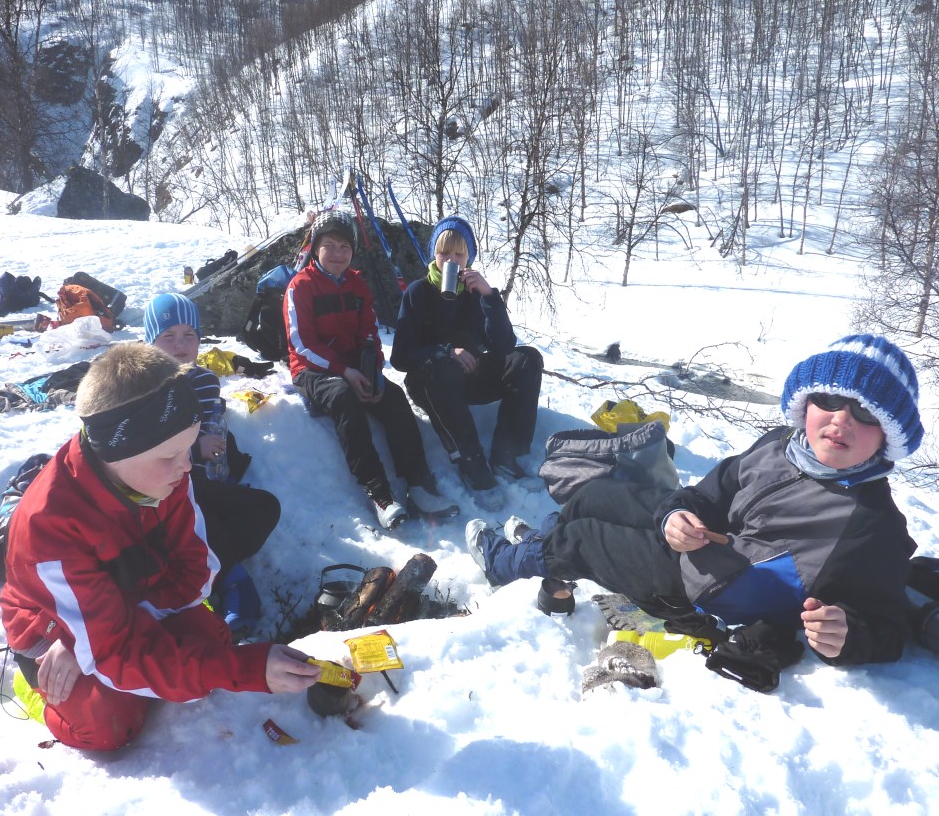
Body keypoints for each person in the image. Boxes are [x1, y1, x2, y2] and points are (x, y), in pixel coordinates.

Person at [467, 334, 923, 666]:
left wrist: (848, 635)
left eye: (864, 412)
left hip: (706, 591)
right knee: (595, 495)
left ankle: (510, 564)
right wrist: (677, 514)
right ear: (807, 405)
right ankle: (547, 542)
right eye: (828, 399)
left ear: (889, 434)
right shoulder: (780, 445)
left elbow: (887, 623)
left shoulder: (871, 524)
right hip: (700, 543)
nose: (840, 420)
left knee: (584, 540)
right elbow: (709, 492)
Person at [0, 344, 319, 751]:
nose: (186, 466)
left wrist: (130, 626)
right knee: (107, 723)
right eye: (170, 455)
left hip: (128, 604)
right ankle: (34, 690)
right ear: (117, 453)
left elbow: (196, 570)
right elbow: (115, 655)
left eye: (188, 447)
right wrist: (82, 643)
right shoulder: (50, 526)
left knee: (211, 645)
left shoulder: (163, 475)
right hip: (52, 622)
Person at [284, 209, 458, 529]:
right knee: (343, 397)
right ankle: (379, 493)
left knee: (391, 397)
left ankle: (419, 485)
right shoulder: (300, 286)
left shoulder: (357, 284)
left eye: (345, 247)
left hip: (352, 364)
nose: (338, 254)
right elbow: (301, 342)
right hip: (312, 369)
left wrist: (372, 368)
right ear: (315, 248)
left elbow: (370, 331)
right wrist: (343, 371)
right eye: (330, 246)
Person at [144, 292, 280, 638]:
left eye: (189, 335)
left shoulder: (204, 380)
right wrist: (192, 452)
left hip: (205, 482)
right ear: (150, 342)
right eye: (168, 337)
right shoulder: (142, 388)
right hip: (162, 490)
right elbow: (139, 455)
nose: (180, 345)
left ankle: (201, 571)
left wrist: (218, 452)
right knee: (198, 517)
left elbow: (213, 425)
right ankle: (228, 581)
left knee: (264, 508)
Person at [391, 216, 543, 509]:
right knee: (440, 369)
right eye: (443, 253)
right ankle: (472, 462)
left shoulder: (476, 292)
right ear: (433, 255)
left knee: (527, 359)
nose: (451, 259)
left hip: (470, 377)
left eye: (459, 254)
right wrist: (446, 351)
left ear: (468, 257)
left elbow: (503, 346)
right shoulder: (418, 292)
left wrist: (489, 297)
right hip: (430, 380)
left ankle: (506, 455)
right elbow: (400, 356)